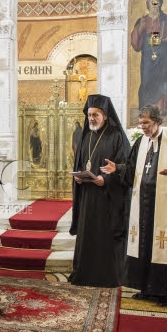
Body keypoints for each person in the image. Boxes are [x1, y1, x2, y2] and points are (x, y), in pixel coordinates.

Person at [101, 105, 167, 306]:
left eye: (146, 123)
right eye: (140, 123)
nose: (142, 126)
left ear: (158, 122)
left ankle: (163, 292)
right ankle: (145, 287)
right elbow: (131, 170)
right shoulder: (140, 142)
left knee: (163, 246)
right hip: (143, 205)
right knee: (143, 245)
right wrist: (117, 168)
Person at [69, 95, 130, 287]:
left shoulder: (116, 136)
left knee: (104, 236)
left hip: (107, 198)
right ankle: (84, 273)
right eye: (89, 115)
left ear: (105, 115)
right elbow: (80, 162)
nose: (91, 119)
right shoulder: (85, 135)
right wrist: (78, 177)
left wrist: (107, 179)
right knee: (87, 234)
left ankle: (106, 277)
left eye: (95, 114)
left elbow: (125, 166)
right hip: (87, 196)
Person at [130, 0, 167, 116]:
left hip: (164, 57)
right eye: (152, 2)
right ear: (148, 5)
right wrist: (140, 27)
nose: (154, 5)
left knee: (162, 80)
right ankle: (146, 108)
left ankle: (160, 108)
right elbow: (135, 43)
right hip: (147, 57)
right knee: (146, 81)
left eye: (157, 2)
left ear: (161, 4)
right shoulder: (142, 21)